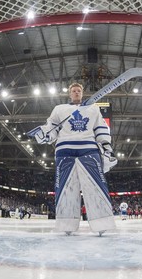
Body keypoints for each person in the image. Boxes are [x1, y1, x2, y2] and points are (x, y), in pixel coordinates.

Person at [28, 83, 117, 236]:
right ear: (70, 94)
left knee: (96, 184)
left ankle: (102, 222)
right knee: (65, 186)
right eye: (73, 91)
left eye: (79, 90)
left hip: (89, 148)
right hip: (64, 150)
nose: (76, 93)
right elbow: (52, 127)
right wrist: (45, 134)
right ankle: (66, 223)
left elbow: (100, 128)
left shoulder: (93, 109)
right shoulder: (59, 109)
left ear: (82, 93)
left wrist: (107, 147)